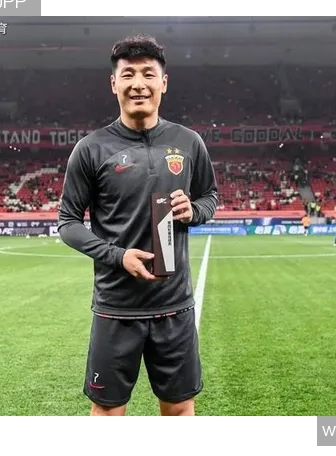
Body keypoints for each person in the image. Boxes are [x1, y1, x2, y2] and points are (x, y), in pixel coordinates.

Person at [57, 35, 218, 417]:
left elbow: (210, 196)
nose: (138, 84)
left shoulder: (189, 142)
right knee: (108, 412)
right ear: (114, 84)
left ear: (164, 82)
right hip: (116, 309)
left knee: (179, 409)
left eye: (148, 73)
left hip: (174, 306)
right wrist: (118, 256)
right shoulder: (91, 148)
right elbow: (67, 222)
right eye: (128, 74)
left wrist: (193, 211)